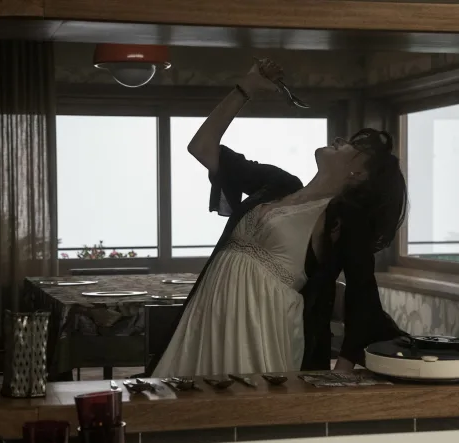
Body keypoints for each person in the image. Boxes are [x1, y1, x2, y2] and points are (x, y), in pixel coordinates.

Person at [150, 59, 408, 378]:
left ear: (359, 174)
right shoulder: (278, 184)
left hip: (265, 325)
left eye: (353, 147)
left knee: (251, 402)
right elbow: (201, 147)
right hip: (210, 311)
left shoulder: (342, 220)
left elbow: (363, 298)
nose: (341, 141)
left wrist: (339, 373)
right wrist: (247, 87)